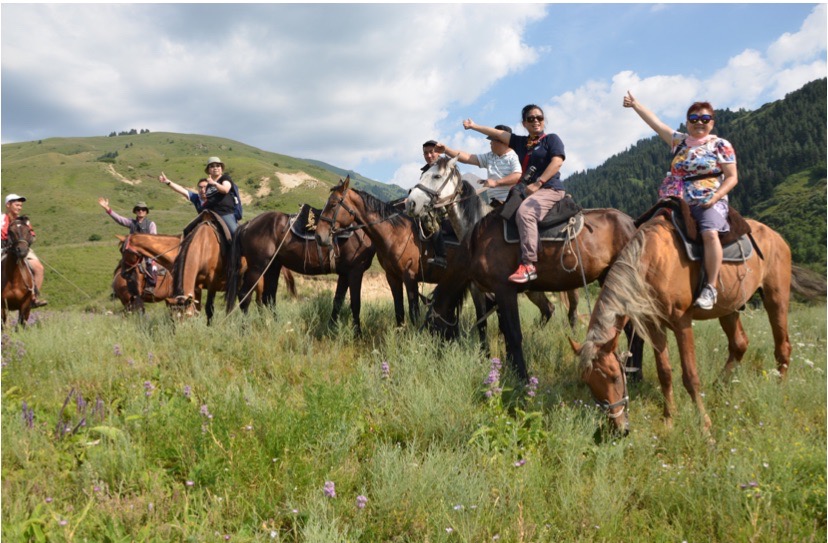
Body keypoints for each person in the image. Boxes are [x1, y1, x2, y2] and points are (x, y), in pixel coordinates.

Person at [623, 91, 737, 310]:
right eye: (694, 119)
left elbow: (732, 177)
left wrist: (715, 197)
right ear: (687, 122)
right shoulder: (680, 141)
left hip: (707, 198)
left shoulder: (720, 144)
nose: (699, 123)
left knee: (710, 233)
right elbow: (656, 124)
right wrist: (636, 104)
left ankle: (710, 287)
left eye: (705, 119)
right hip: (675, 199)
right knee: (645, 231)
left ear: (712, 122)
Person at [463, 105, 567, 283]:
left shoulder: (551, 139)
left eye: (539, 117)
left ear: (544, 120)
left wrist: (539, 182)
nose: (536, 121)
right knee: (499, 217)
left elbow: (557, 162)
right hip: (528, 191)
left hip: (550, 188)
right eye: (531, 118)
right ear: (524, 123)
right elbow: (497, 134)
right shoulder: (521, 143)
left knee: (525, 212)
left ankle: (528, 264)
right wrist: (474, 126)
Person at [434, 125, 522, 206]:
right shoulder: (490, 156)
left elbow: (518, 176)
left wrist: (496, 183)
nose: (490, 143)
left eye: (492, 140)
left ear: (503, 141)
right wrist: (446, 150)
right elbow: (468, 157)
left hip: (510, 203)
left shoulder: (515, 156)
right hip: (495, 203)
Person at [98, 198, 159, 293]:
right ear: (135, 211)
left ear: (146, 212)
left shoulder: (151, 224)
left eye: (143, 209)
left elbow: (153, 239)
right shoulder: (131, 223)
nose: (140, 211)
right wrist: (107, 208)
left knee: (150, 263)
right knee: (123, 265)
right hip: (134, 252)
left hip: (146, 252)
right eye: (138, 209)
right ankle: (118, 288)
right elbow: (119, 219)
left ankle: (151, 285)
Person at [1, 194, 47, 307]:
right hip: (3, 248)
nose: (19, 208)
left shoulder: (24, 221)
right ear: (8, 205)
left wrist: (26, 243)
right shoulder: (1, 219)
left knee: (39, 268)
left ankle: (33, 297)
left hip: (22, 248)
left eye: (20, 205)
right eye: (17, 205)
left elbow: (32, 236)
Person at [421, 140, 448, 268]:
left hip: (446, 204)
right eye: (425, 153)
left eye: (432, 152)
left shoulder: (444, 167)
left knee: (428, 217)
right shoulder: (425, 171)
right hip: (431, 204)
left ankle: (441, 255)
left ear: (438, 152)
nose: (429, 156)